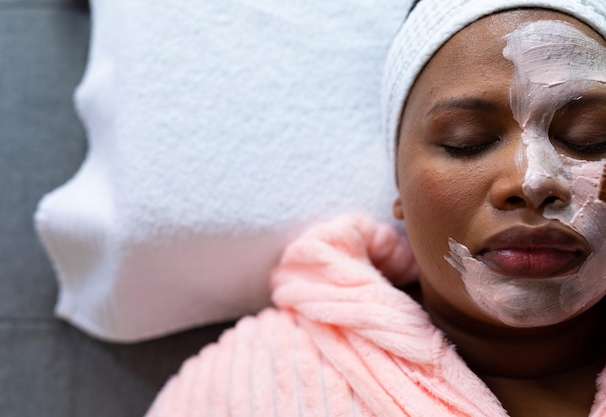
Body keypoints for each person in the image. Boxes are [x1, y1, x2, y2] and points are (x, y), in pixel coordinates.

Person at [145, 0, 606, 415]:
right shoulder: (240, 388)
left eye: (590, 138)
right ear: (399, 187)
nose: (532, 181)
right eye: (466, 141)